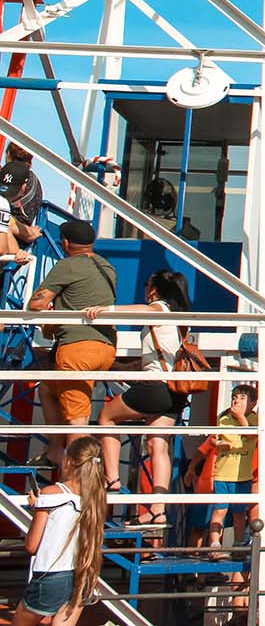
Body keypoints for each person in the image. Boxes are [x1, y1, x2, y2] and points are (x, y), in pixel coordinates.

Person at [86, 269, 193, 525]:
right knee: (158, 445)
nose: (145, 289)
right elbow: (154, 358)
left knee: (106, 417)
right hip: (175, 391)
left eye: (147, 284)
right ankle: (158, 510)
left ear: (154, 289)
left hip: (156, 386)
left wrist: (106, 310)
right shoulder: (179, 319)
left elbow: (148, 311)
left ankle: (112, 478)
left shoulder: (161, 308)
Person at [27, 221, 117, 469]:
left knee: (77, 421)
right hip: (106, 347)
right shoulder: (106, 266)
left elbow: (36, 304)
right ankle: (56, 450)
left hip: (78, 349)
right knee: (47, 388)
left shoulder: (67, 265)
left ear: (65, 242)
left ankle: (82, 481)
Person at [16, 436, 106, 626]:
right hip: (82, 574)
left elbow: (31, 545)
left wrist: (37, 508)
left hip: (51, 575)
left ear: (69, 462)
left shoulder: (50, 494)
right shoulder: (96, 498)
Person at [207, 385, 259, 555]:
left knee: (239, 513)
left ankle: (238, 544)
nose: (236, 401)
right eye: (234, 397)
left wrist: (240, 417)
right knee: (219, 510)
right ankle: (214, 544)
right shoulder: (223, 418)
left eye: (242, 398)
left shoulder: (254, 419)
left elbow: (252, 434)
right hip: (222, 474)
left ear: (253, 403)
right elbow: (213, 439)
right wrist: (218, 444)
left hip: (243, 475)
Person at [0, 143, 42, 246]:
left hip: (7, 234)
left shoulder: (7, 176)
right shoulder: (35, 182)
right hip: (21, 241)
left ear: (9, 154)